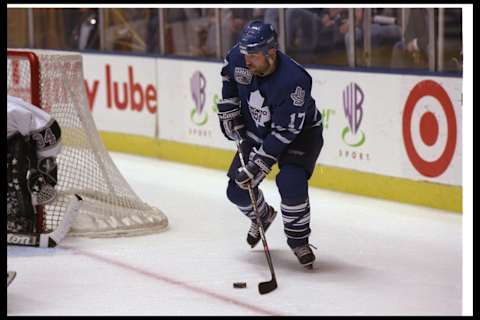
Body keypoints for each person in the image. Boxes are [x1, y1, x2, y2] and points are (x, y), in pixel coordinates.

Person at [217, 21, 324, 268]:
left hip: (300, 135)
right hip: (258, 129)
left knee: (290, 181)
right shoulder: (239, 57)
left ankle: (299, 241)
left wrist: (259, 164)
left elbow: (286, 131)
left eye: (253, 55)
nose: (247, 61)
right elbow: (229, 80)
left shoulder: (295, 80)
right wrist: (230, 108)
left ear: (271, 53)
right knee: (236, 190)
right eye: (245, 54)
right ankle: (263, 215)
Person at [7, 95, 62, 234]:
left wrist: (41, 167)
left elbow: (45, 130)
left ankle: (20, 221)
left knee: (14, 176)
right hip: (33, 134)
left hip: (38, 136)